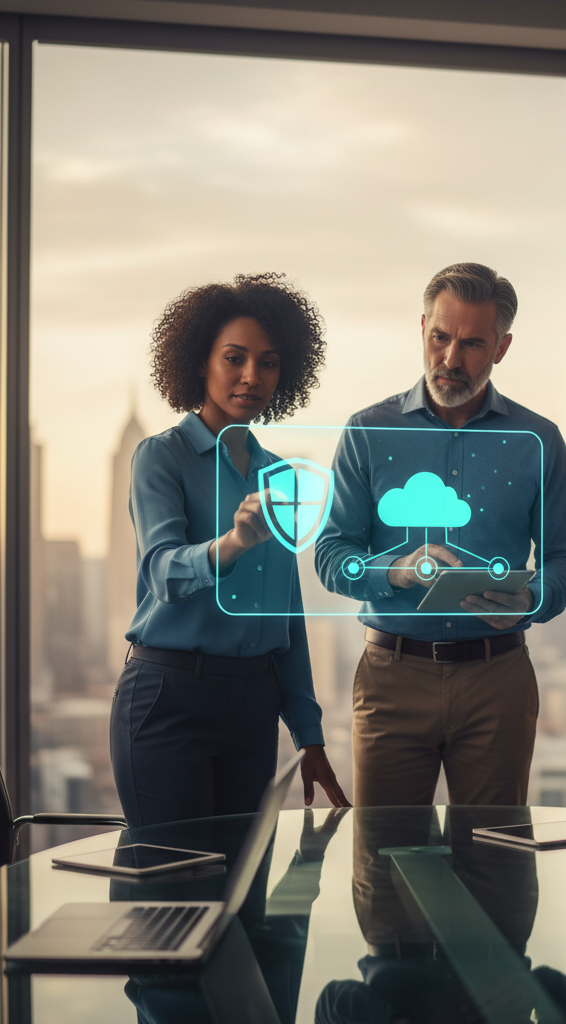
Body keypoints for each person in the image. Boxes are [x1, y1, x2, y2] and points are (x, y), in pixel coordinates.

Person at [314, 263, 566, 807]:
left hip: (498, 678)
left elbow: (565, 559)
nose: (451, 359)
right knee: (383, 864)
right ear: (421, 329)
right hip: (391, 679)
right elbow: (330, 555)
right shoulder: (368, 431)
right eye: (440, 337)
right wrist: (395, 570)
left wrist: (531, 601)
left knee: (494, 864)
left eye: (472, 344)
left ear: (502, 348)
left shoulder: (540, 440)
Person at [110, 273, 349, 829]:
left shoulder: (277, 475)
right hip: (170, 698)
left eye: (267, 362)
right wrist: (234, 542)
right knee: (174, 886)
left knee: (243, 891)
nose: (251, 376)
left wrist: (308, 735)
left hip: (254, 707)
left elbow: (286, 615)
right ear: (200, 362)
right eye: (234, 358)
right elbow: (163, 573)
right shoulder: (161, 458)